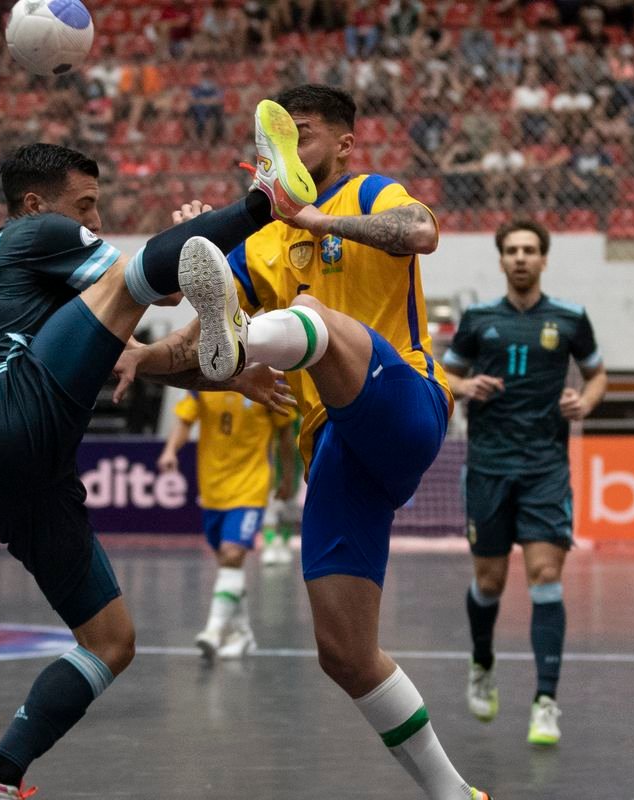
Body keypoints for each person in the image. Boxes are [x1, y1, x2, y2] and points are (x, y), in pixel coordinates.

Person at [0, 100, 318, 800]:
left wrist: (229, 374)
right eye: (86, 206)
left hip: (5, 469)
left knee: (111, 641)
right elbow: (147, 283)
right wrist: (209, 235)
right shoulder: (35, 233)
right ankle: (268, 199)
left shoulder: (38, 282)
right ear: (37, 204)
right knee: (130, 279)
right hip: (1, 409)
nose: (95, 219)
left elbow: (132, 353)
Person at [127, 84, 491, 800]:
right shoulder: (259, 239)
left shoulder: (369, 192)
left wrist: (315, 218)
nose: (286, 149)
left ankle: (258, 334)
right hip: (333, 448)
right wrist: (141, 358)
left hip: (405, 402)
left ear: (345, 144)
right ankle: (456, 794)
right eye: (277, 139)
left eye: (301, 135)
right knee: (345, 654)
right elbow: (200, 353)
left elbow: (420, 231)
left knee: (312, 315)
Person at [440, 219, 606, 749]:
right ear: (501, 259)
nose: (520, 257)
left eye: (529, 250)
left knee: (545, 576)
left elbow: (598, 374)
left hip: (545, 468)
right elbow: (443, 375)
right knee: (490, 583)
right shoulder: (478, 319)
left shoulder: (571, 318)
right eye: (511, 250)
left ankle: (545, 701)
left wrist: (585, 402)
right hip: (488, 466)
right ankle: (482, 661)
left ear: (543, 259)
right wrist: (466, 386)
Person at [157, 388, 294, 658]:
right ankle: (243, 635)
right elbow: (185, 420)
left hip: (251, 486)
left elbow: (285, 433)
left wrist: (287, 476)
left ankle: (213, 630)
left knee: (232, 554)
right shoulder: (203, 384)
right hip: (213, 488)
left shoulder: (265, 382)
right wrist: (170, 450)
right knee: (227, 565)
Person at [259, 411, 302, 566]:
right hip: (270, 465)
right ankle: (269, 544)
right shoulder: (272, 409)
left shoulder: (298, 412)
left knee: (289, 507)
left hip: (294, 464)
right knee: (270, 508)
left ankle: (285, 543)